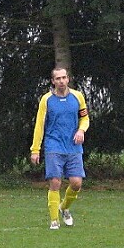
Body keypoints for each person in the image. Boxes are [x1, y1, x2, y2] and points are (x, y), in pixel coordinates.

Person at [30, 67, 89, 230]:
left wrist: (81, 130)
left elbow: (85, 118)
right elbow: (39, 125)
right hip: (53, 145)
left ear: (68, 79)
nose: (61, 81)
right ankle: (54, 220)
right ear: (53, 81)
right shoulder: (46, 100)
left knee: (76, 183)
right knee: (55, 182)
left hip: (73, 147)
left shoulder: (78, 97)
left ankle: (64, 207)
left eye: (64, 78)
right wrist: (35, 149)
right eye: (58, 78)